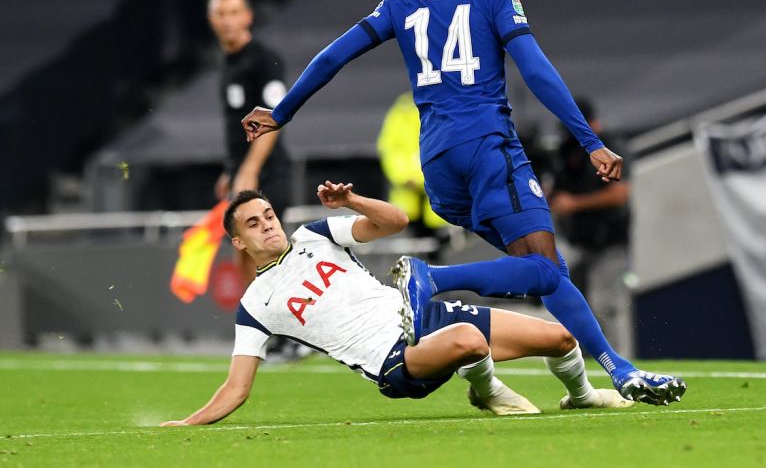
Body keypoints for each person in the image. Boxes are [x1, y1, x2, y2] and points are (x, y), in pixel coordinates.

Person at [241, 0, 685, 405]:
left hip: (439, 167)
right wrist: (591, 141)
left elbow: (334, 54)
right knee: (542, 268)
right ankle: (433, 277)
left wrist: (283, 111)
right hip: (487, 148)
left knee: (544, 267)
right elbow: (535, 69)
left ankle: (619, 370)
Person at [160, 183, 632, 426]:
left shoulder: (315, 235)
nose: (267, 225)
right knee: (468, 340)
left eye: (268, 215)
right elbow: (236, 388)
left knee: (560, 338)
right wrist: (187, 422)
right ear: (238, 242)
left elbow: (396, 221)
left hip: (428, 320)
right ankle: (487, 390)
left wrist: (353, 201)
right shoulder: (254, 305)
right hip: (394, 362)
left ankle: (583, 397)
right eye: (253, 224)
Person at [208, 0, 292, 287]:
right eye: (221, 13)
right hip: (242, 172)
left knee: (267, 247)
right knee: (242, 248)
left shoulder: (263, 59)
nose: (228, 20)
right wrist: (231, 171)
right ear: (211, 19)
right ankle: (257, 324)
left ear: (247, 16)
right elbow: (238, 125)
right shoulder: (229, 63)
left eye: (234, 12)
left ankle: (281, 325)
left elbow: (273, 116)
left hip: (267, 172)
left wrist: (249, 170)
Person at [548, 98, 633, 355]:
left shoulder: (610, 147)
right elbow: (555, 191)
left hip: (609, 242)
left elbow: (620, 194)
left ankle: (618, 363)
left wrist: (575, 204)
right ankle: (583, 366)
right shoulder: (565, 152)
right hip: (576, 241)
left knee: (604, 306)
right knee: (574, 307)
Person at [377, 91, 449, 249]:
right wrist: (406, 177)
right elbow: (389, 150)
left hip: (442, 208)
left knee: (443, 250)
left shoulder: (446, 109)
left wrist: (422, 178)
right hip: (408, 204)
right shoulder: (401, 112)